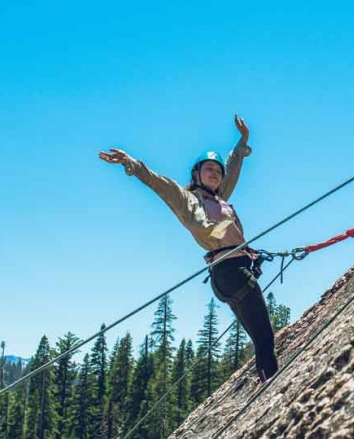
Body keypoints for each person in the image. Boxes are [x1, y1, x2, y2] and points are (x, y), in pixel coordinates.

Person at [98, 114, 279, 382]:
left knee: (259, 334)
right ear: (196, 174)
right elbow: (159, 183)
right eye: (209, 170)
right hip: (230, 270)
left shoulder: (219, 198)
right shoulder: (188, 200)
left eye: (218, 172)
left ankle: (266, 379)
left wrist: (242, 142)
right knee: (264, 334)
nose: (216, 174)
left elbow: (233, 166)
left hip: (231, 271)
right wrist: (132, 164)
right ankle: (272, 382)